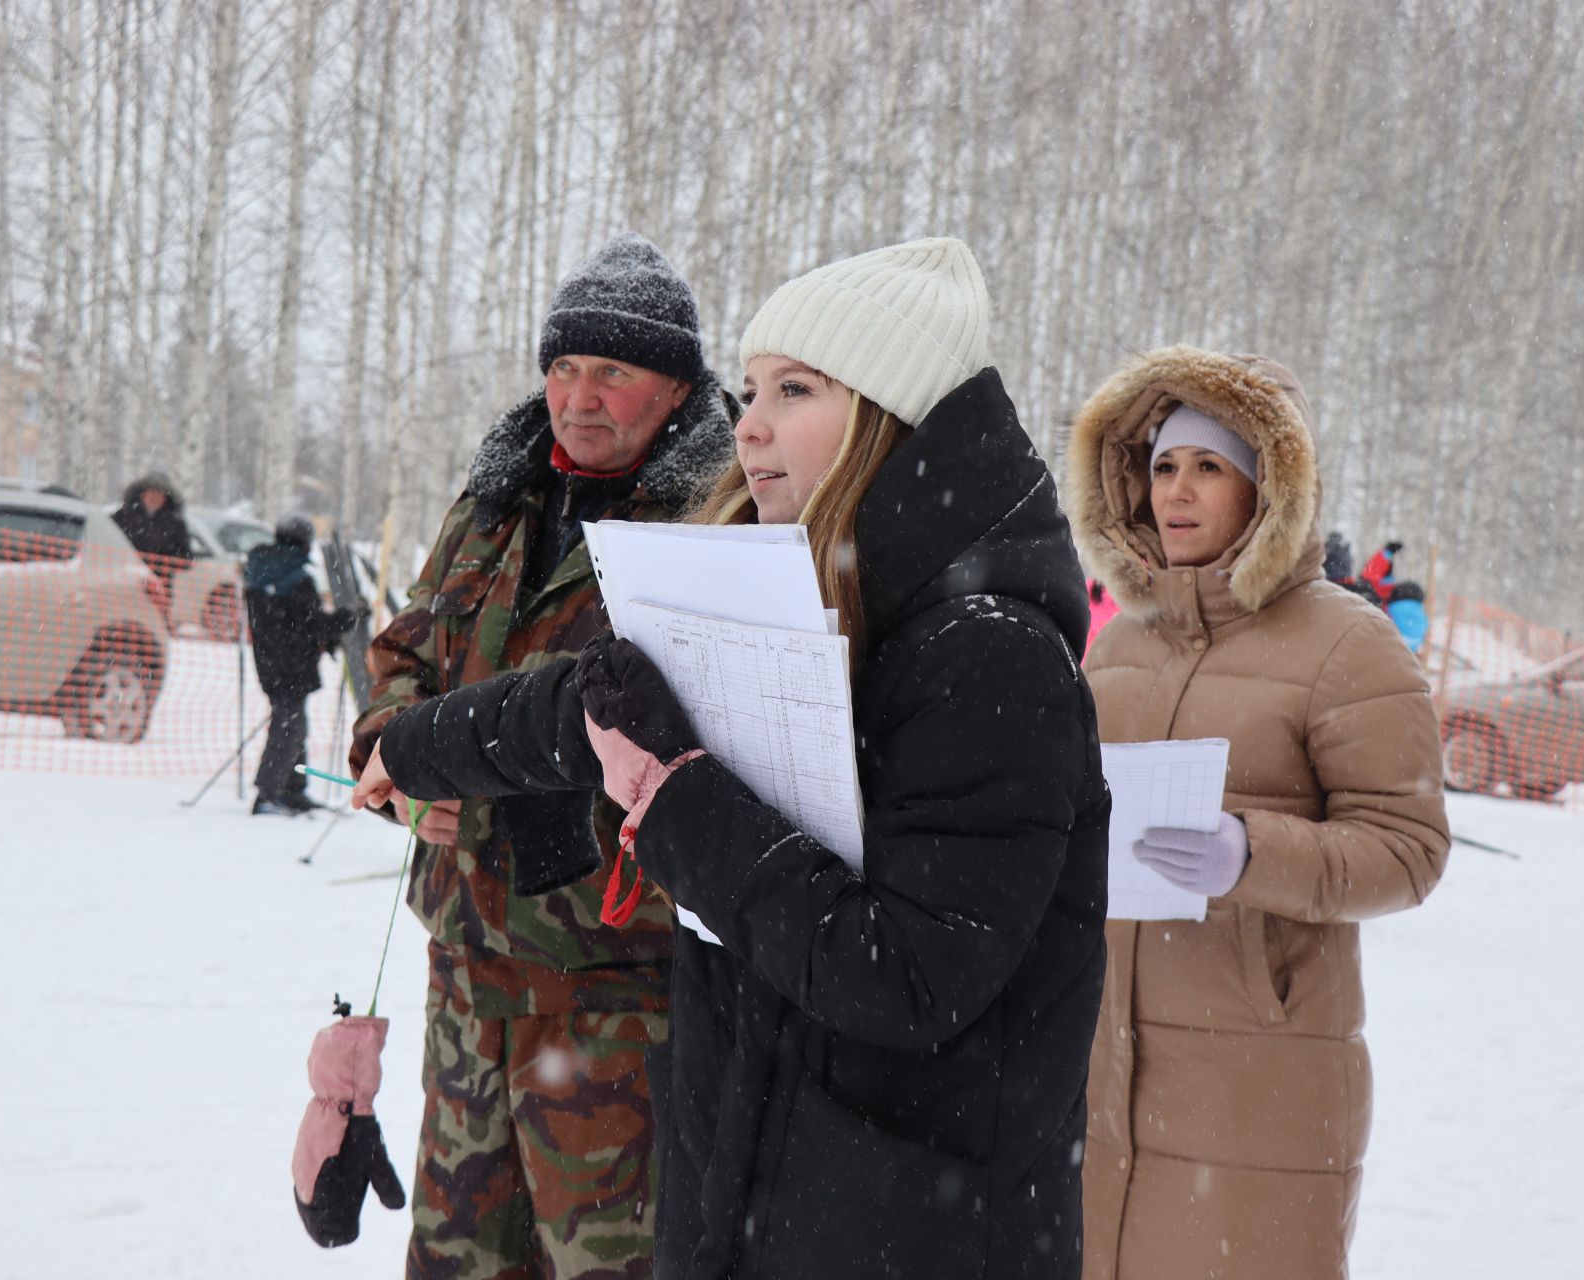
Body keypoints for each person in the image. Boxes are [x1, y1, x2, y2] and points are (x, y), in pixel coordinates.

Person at [355, 238, 1110, 1278]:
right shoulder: (780, 585)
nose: (747, 422)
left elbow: (904, 975)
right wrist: (414, 744)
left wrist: (680, 800)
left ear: (892, 411)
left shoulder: (989, 653)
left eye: (794, 389)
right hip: (752, 1179)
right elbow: (590, 699)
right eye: (752, 388)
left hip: (898, 1222)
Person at [346, 233, 736, 1277]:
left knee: (609, 1258)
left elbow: (720, 731)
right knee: (461, 1252)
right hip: (467, 964)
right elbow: (405, 651)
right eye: (564, 368)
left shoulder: (720, 519)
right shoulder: (496, 500)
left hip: (617, 985)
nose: (580, 396)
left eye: (613, 371)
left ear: (678, 386)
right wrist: (394, 752)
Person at [1062, 347, 1451, 1280]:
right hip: (1101, 1071)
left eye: (1209, 468)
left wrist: (1251, 852)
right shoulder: (1117, 648)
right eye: (1162, 466)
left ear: (1266, 487)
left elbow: (1411, 847)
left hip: (1262, 1085)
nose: (1177, 492)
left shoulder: (1347, 643)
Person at [244, 515, 357, 815]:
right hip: (291, 664)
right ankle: (269, 793)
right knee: (288, 726)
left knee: (292, 722)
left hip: (269, 660)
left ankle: (292, 788)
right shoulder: (296, 577)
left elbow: (290, 624)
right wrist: (345, 619)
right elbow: (310, 625)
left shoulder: (260, 570)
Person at [112, 472, 194, 614]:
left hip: (159, 589)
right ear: (142, 494)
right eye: (151, 491)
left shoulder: (175, 523)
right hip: (126, 583)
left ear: (165, 498)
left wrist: (164, 563)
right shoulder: (123, 516)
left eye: (159, 492)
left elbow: (187, 557)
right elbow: (107, 541)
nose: (154, 496)